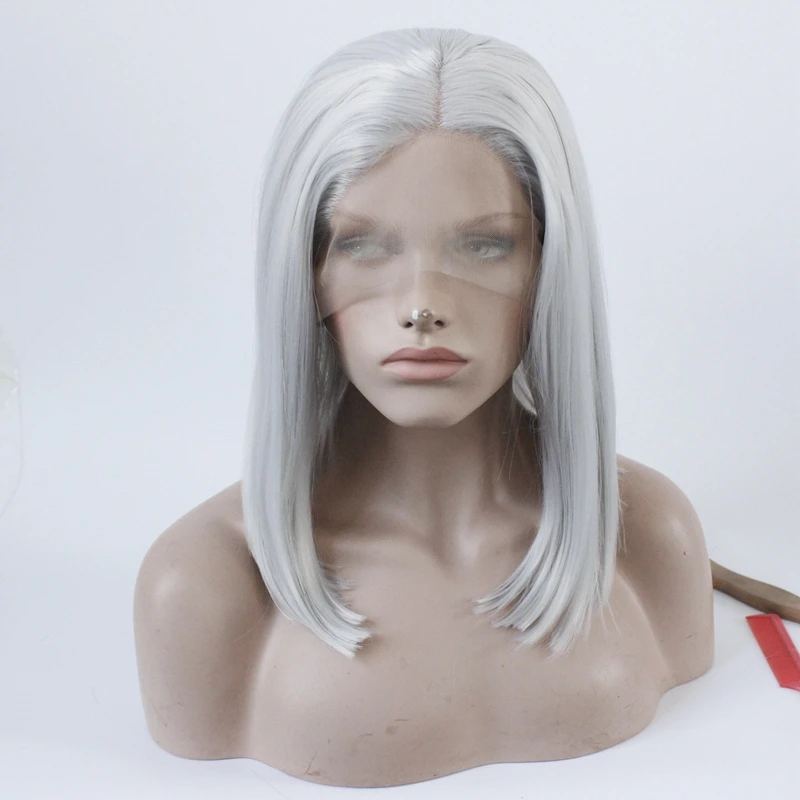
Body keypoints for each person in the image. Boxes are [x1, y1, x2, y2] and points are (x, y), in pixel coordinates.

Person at [133, 27, 791, 788]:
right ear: (305, 270)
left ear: (549, 265)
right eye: (362, 245)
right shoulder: (203, 589)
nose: (422, 306)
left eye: (484, 246)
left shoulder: (648, 534)